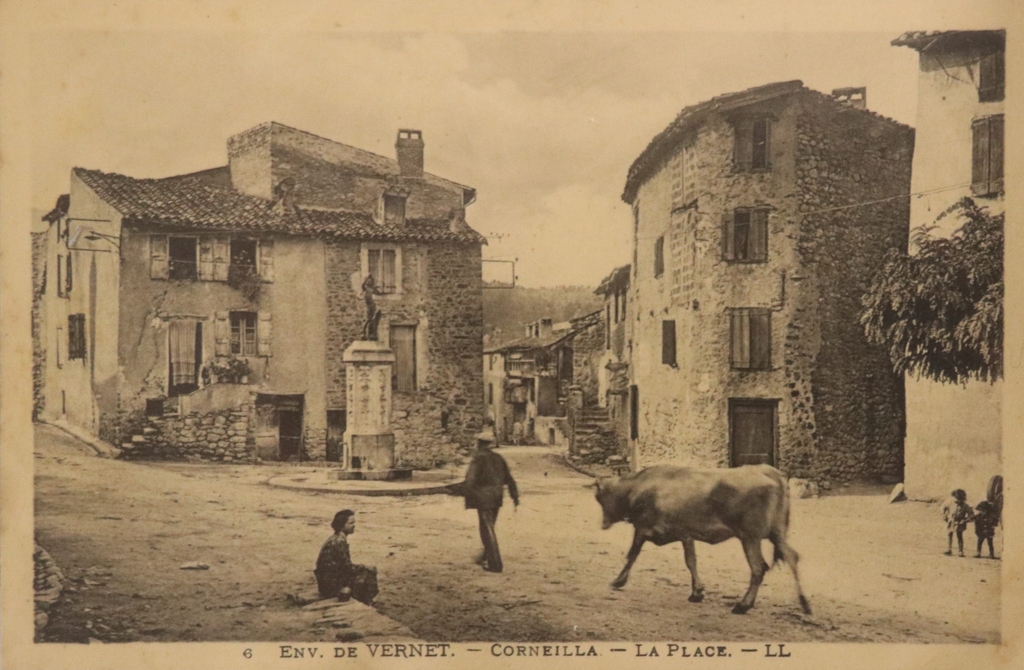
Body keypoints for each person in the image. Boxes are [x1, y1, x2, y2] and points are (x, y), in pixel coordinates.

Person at [462, 421, 519, 573]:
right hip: (496, 498)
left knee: (486, 530)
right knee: (490, 527)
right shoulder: (498, 458)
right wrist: (515, 497)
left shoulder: (478, 458)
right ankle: (484, 556)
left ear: (479, 443)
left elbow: (470, 480)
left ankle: (495, 564)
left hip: (483, 499)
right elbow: (509, 479)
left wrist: (464, 492)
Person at [314, 510, 379, 603]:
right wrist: (365, 567)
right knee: (368, 573)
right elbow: (347, 567)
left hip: (327, 579)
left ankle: (363, 600)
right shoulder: (339, 541)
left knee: (365, 571)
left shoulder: (335, 538)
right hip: (330, 583)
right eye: (351, 523)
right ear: (341, 525)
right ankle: (364, 602)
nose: (354, 525)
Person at [941, 489, 974, 557]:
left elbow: (971, 514)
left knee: (959, 536)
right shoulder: (950, 502)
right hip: (950, 521)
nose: (957, 500)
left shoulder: (965, 506)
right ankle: (949, 549)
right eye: (956, 498)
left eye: (959, 499)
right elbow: (943, 507)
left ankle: (960, 551)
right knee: (949, 534)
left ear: (963, 499)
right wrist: (944, 515)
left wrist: (965, 520)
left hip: (959, 523)